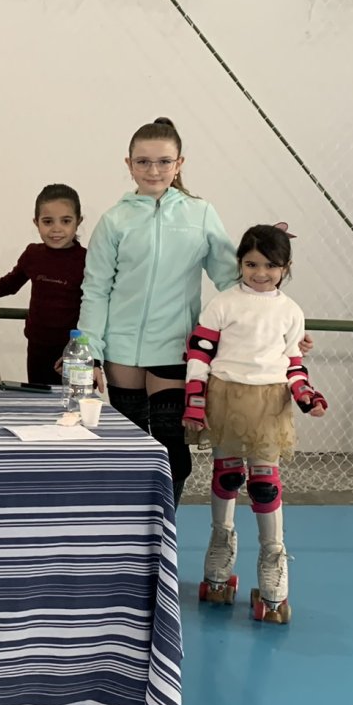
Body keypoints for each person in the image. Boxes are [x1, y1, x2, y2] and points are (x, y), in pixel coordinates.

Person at [77, 117, 240, 504]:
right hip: (122, 351)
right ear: (129, 164)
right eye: (143, 161)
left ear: (179, 163)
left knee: (172, 449)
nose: (154, 170)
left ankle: (165, 525)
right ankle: (132, 527)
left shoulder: (201, 214)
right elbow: (96, 290)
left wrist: (278, 324)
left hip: (174, 347)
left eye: (164, 161)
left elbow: (233, 282)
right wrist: (89, 353)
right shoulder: (114, 220)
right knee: (129, 448)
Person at [184, 224, 328, 625]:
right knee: (228, 475)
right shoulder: (223, 303)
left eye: (270, 265)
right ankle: (220, 545)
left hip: (269, 402)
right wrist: (195, 399)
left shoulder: (291, 311)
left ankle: (273, 558)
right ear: (239, 264)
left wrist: (305, 395)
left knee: (264, 483)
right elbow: (200, 353)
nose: (260, 273)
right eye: (251, 264)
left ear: (286, 267)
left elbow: (293, 363)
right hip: (226, 397)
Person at [0, 183, 86, 386]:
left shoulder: (87, 260)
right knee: (38, 396)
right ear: (36, 222)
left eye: (65, 221)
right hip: (37, 346)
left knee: (71, 400)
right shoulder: (33, 254)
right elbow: (9, 284)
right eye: (48, 221)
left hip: (71, 348)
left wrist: (83, 349)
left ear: (78, 222)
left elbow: (95, 306)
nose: (56, 229)